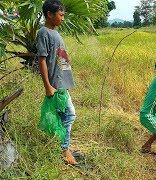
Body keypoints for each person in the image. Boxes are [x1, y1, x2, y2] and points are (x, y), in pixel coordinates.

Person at [36, 0, 78, 165]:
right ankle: (65, 150)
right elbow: (42, 60)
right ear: (50, 14)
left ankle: (64, 145)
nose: (63, 18)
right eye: (60, 15)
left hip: (63, 84)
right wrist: (48, 86)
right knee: (69, 115)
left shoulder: (55, 33)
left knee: (64, 116)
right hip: (56, 85)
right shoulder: (44, 32)